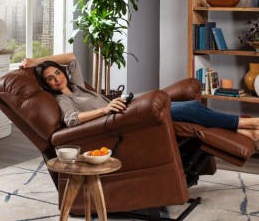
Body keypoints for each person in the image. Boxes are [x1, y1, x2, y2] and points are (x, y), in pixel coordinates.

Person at [21, 53, 259, 149]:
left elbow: (71, 57)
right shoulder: (63, 98)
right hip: (118, 117)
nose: (56, 79)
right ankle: (248, 124)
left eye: (57, 73)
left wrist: (36, 62)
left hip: (125, 105)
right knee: (190, 108)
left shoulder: (77, 85)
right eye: (49, 79)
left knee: (183, 106)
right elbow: (72, 120)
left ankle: (245, 133)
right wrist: (105, 109)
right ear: (47, 85)